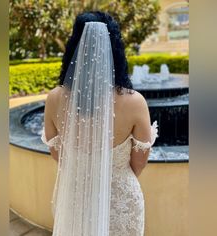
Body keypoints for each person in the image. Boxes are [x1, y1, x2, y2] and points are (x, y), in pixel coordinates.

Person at [41, 11, 158, 236]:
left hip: (74, 196)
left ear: (75, 48)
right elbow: (139, 162)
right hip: (120, 201)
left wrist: (84, 171)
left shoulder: (54, 98)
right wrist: (111, 177)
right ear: (115, 50)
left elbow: (58, 155)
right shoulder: (134, 102)